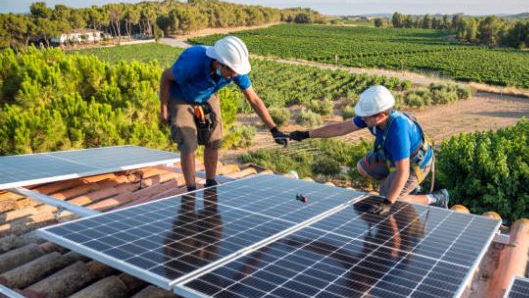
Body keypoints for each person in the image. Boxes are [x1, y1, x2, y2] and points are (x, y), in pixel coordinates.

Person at [289, 85, 448, 215]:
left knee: (394, 199)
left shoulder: (398, 131)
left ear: (381, 115)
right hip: (392, 156)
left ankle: (435, 198)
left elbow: (403, 172)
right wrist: (306, 134)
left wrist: (388, 201)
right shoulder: (373, 118)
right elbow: (340, 128)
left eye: (366, 116)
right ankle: (398, 186)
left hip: (415, 163)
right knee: (362, 167)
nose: (362, 119)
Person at [160, 36, 288, 191]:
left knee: (214, 139)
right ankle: (191, 189)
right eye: (231, 71)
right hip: (180, 95)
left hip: (206, 95)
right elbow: (166, 77)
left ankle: (211, 182)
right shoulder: (192, 62)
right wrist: (164, 109)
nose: (234, 75)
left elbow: (254, 99)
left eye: (236, 72)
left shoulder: (235, 70)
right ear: (218, 62)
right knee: (188, 143)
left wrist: (273, 130)